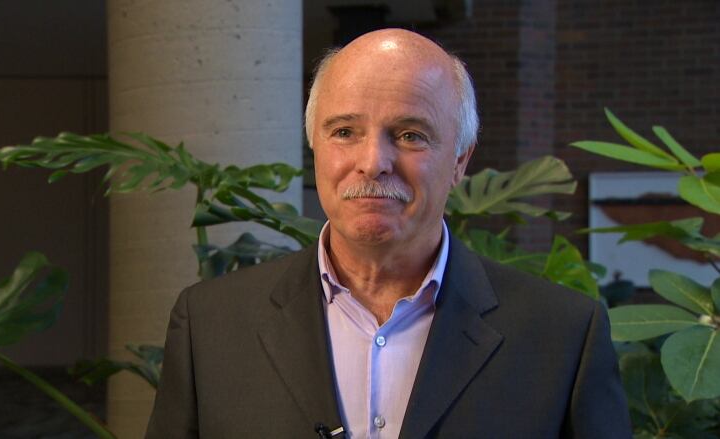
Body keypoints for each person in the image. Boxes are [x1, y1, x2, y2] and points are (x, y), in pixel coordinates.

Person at [146, 28, 631, 438]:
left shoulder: (563, 336)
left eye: (410, 135)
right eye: (344, 132)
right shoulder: (210, 326)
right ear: (315, 144)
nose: (373, 162)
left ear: (460, 159)